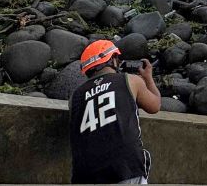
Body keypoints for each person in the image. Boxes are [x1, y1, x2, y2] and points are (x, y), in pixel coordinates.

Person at [68, 40, 161, 184]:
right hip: (125, 167)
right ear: (112, 60)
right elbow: (154, 106)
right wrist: (148, 78)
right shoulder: (130, 80)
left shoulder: (75, 95)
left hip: (85, 174)